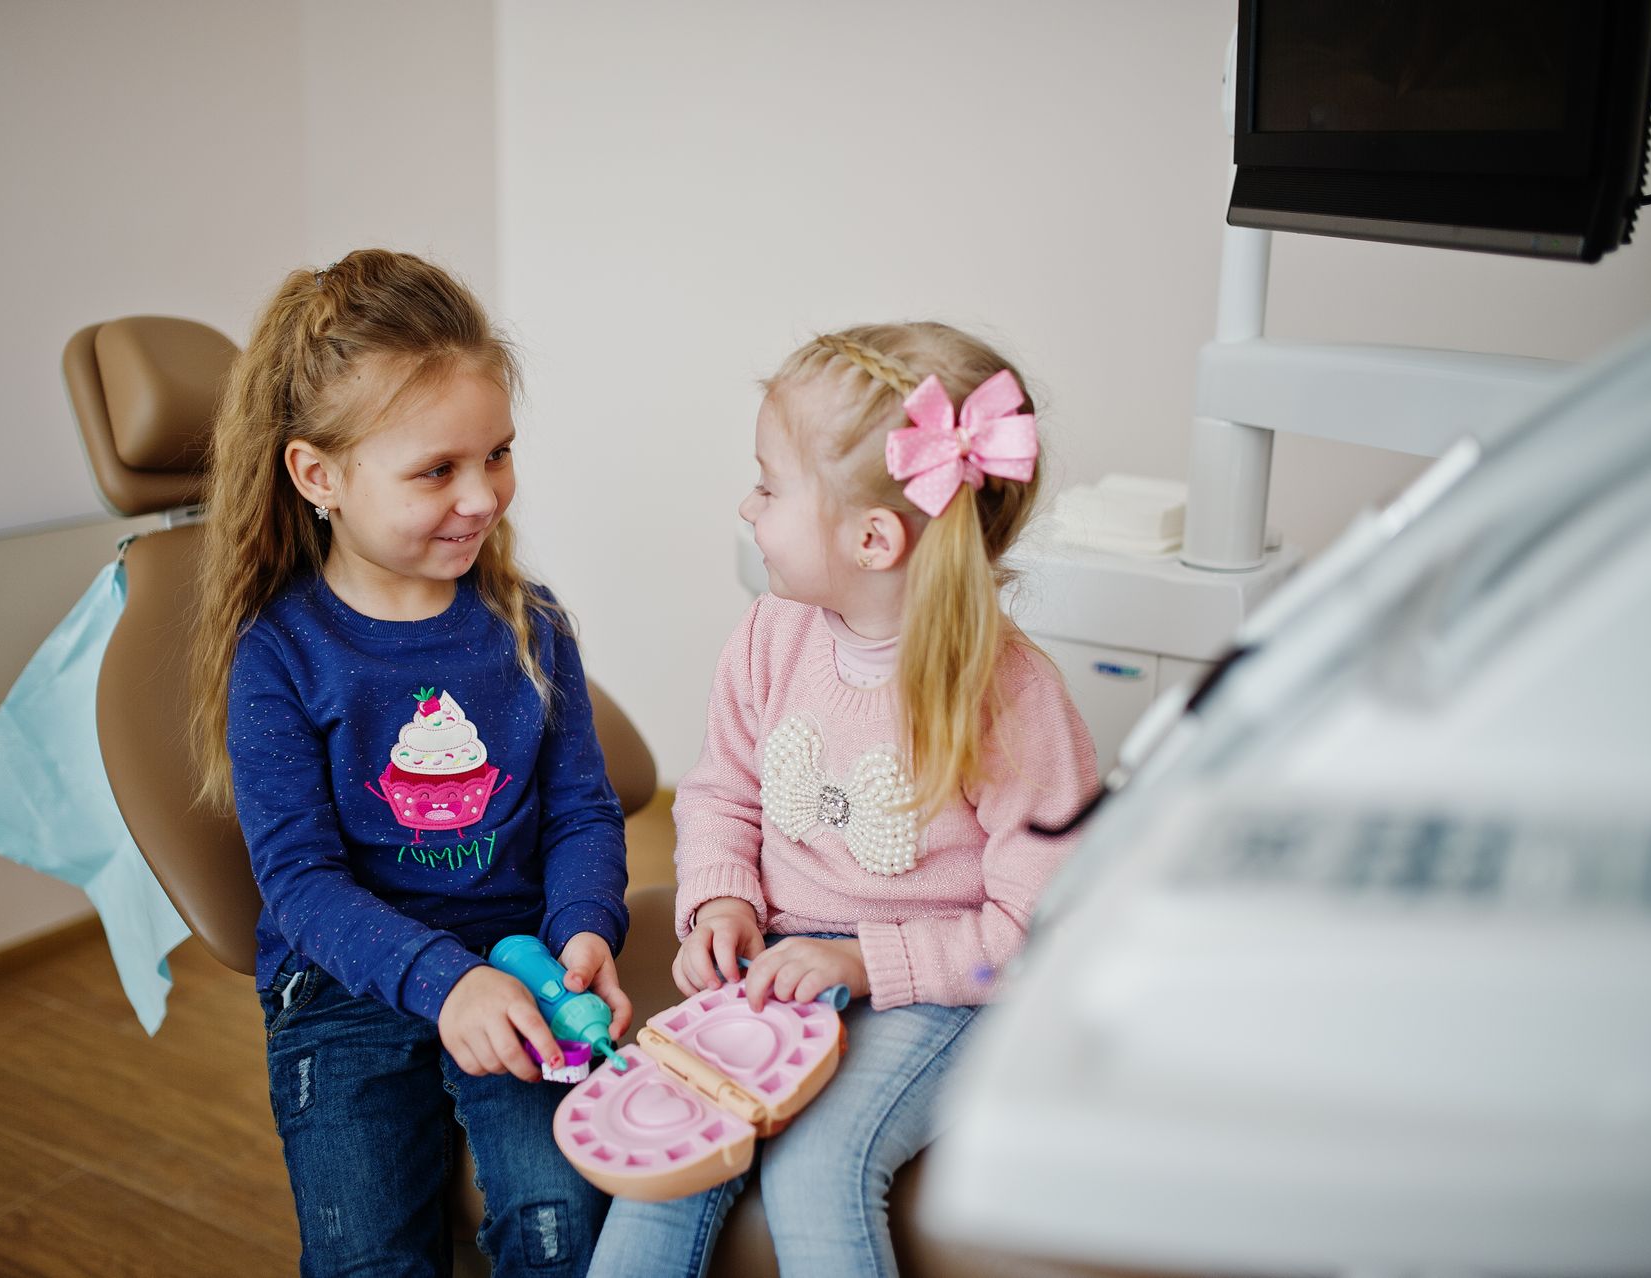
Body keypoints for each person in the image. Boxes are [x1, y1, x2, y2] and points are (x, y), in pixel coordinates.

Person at [587, 323, 1098, 1278]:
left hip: (946, 993)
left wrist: (868, 963)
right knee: (667, 1157)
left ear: (872, 537)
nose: (748, 504)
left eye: (771, 486)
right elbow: (721, 793)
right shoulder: (770, 637)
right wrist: (723, 900)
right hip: (780, 969)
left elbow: (1042, 929)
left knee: (819, 1172)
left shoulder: (1008, 697)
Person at [187, 249, 630, 1277]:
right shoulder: (282, 657)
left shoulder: (528, 623)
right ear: (319, 476)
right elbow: (299, 886)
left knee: (563, 1231)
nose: (483, 496)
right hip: (345, 986)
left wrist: (581, 929)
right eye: (437, 470)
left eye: (499, 455)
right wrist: (443, 984)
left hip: (519, 962)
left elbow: (581, 815)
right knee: (368, 1258)